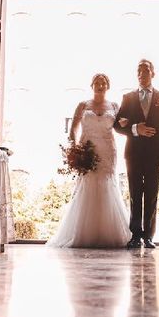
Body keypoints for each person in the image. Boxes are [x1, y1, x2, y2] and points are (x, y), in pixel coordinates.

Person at [47, 73, 131, 248]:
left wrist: (125, 123)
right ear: (91, 85)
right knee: (88, 185)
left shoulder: (114, 106)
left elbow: (120, 127)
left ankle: (109, 233)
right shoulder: (83, 105)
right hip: (88, 149)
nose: (100, 85)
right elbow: (73, 129)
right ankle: (84, 233)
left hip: (108, 150)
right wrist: (75, 150)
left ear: (108, 86)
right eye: (97, 82)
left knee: (107, 185)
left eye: (104, 82)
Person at [114, 59, 159, 249]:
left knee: (152, 194)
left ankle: (148, 236)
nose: (141, 74)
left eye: (145, 71)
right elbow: (117, 125)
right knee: (135, 194)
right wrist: (135, 128)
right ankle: (135, 235)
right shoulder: (128, 98)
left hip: (155, 154)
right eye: (138, 71)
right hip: (134, 154)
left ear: (152, 73)